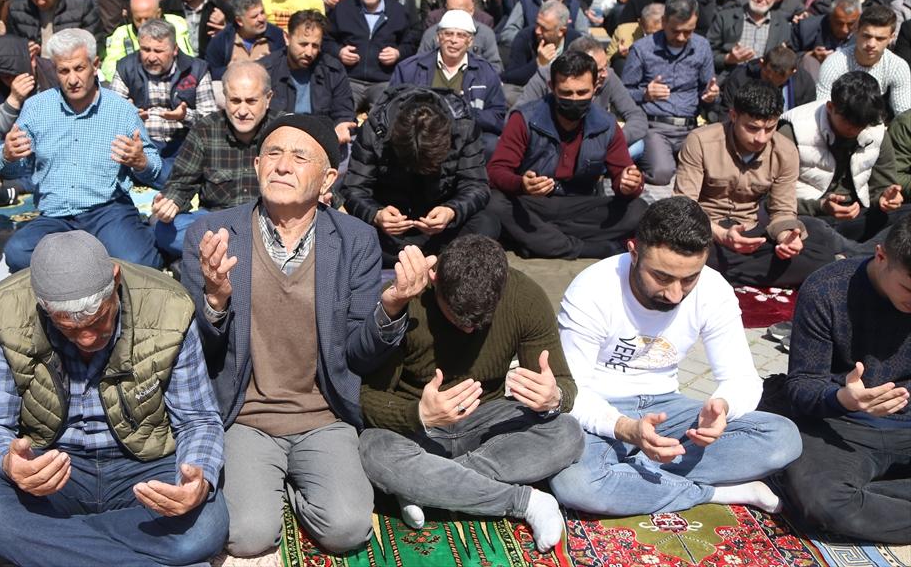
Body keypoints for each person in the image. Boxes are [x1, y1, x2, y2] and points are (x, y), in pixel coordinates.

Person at [180, 114, 425, 556]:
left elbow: (358, 354)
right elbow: (197, 351)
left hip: (322, 417)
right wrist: (215, 299)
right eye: (272, 154)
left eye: (299, 156)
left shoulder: (356, 240)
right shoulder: (212, 234)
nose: (282, 166)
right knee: (247, 536)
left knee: (347, 530)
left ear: (328, 177)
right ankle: (268, 488)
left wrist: (391, 307)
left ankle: (293, 487)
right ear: (256, 166)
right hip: (246, 417)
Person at [0, 230, 228, 566]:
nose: (86, 339)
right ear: (42, 306)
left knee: (208, 525)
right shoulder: (5, 310)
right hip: (53, 470)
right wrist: (10, 464)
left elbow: (197, 418)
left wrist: (196, 482)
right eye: (68, 327)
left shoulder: (168, 307)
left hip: (141, 466)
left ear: (115, 282)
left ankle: (31, 546)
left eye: (98, 320)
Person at [548, 197, 802, 515]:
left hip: (667, 408)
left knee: (783, 438)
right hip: (601, 414)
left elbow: (741, 378)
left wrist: (723, 407)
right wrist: (626, 428)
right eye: (663, 277)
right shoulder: (592, 289)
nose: (675, 294)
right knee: (577, 485)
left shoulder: (714, 289)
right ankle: (715, 492)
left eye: (689, 279)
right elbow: (572, 391)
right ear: (634, 252)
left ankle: (630, 472)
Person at [358, 234, 583, 551]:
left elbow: (563, 384)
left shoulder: (525, 297)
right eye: (457, 317)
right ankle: (521, 501)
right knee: (371, 448)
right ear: (434, 279)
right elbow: (364, 396)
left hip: (487, 425)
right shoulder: (407, 300)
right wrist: (419, 414)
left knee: (568, 432)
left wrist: (553, 398)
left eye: (481, 321)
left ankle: (422, 486)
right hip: (417, 430)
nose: (469, 328)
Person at [781, 214, 911, 544]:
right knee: (824, 501)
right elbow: (801, 385)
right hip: (841, 426)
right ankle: (868, 496)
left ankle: (873, 496)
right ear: (881, 255)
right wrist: (842, 399)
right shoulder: (827, 288)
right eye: (909, 289)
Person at [0, 28, 162, 271]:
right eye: (64, 71)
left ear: (95, 65)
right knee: (18, 253)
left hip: (107, 210)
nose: (72, 79)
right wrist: (7, 156)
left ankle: (132, 236)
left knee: (138, 262)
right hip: (55, 217)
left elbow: (156, 167)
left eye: (79, 68)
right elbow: (10, 167)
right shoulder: (36, 108)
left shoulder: (120, 110)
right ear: (55, 70)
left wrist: (141, 162)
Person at [675, 80, 840, 287]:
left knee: (820, 256)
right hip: (705, 230)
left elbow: (782, 210)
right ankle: (718, 270)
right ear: (733, 116)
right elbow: (683, 206)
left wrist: (786, 238)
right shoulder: (700, 141)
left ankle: (714, 274)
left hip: (750, 234)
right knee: (682, 248)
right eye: (752, 128)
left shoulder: (785, 151)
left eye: (769, 128)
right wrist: (722, 235)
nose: (761, 138)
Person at [488, 49, 647, 260]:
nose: (574, 99)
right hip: (532, 202)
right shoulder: (525, 118)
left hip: (579, 203)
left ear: (595, 88)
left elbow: (623, 175)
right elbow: (496, 171)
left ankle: (538, 239)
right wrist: (521, 184)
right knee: (493, 202)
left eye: (582, 93)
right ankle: (589, 248)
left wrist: (630, 184)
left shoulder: (607, 124)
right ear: (551, 87)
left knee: (639, 210)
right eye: (566, 93)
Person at [342, 85, 495, 265]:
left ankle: (425, 259)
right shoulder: (376, 129)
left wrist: (451, 210)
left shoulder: (464, 127)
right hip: (390, 229)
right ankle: (435, 260)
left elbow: (477, 185)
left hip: (440, 226)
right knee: (346, 230)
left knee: (487, 223)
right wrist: (376, 214)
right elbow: (354, 188)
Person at [150, 61, 273, 259]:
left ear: (268, 99)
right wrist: (170, 203)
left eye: (251, 101)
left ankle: (222, 255)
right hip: (217, 222)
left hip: (269, 223)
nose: (242, 111)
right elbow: (181, 182)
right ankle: (247, 255)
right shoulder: (205, 130)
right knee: (164, 231)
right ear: (224, 98)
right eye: (235, 101)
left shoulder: (284, 130)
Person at [779, 72, 904, 253]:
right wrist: (821, 206)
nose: (854, 129)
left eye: (861, 125)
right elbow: (774, 200)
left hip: (857, 215)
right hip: (810, 216)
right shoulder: (793, 131)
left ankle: (851, 255)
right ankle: (863, 255)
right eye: (847, 121)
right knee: (810, 229)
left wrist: (885, 198)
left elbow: (882, 186)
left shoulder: (875, 130)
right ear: (830, 107)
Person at [622, 0, 720, 185]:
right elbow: (623, 94)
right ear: (664, 22)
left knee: (713, 174)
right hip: (656, 127)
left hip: (690, 127)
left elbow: (708, 90)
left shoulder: (702, 47)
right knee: (662, 174)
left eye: (688, 32)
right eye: (676, 31)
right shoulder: (642, 49)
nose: (682, 37)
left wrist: (710, 97)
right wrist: (645, 94)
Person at [109, 18, 214, 188]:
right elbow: (111, 114)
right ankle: (171, 181)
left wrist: (184, 116)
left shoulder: (197, 69)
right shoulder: (126, 67)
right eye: (145, 49)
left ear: (174, 50)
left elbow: (211, 121)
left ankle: (160, 179)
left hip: (183, 143)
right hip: (142, 142)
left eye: (158, 51)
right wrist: (131, 116)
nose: (151, 57)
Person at [389, 8, 506, 158]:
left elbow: (498, 117)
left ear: (470, 41)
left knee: (491, 144)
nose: (454, 40)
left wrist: (468, 113)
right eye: (448, 33)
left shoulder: (486, 72)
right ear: (438, 37)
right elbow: (391, 107)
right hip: (420, 136)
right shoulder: (410, 68)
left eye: (461, 35)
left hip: (467, 137)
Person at [325, 0, 415, 113]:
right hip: (349, 80)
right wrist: (339, 52)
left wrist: (398, 53)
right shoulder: (342, 9)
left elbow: (412, 43)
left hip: (384, 81)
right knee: (341, 116)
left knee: (385, 120)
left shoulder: (398, 11)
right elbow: (325, 40)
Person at [261, 9, 355, 145]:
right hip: (280, 140)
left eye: (315, 46)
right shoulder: (266, 71)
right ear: (287, 38)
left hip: (322, 139)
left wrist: (342, 125)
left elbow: (344, 110)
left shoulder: (332, 70)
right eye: (303, 44)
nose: (309, 52)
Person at [816, 4, 910, 115]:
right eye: (866, 36)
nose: (871, 44)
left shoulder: (897, 67)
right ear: (856, 31)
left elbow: (903, 114)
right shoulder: (834, 63)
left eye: (880, 38)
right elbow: (822, 110)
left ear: (891, 38)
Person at [707, 0, 793, 75]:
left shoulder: (782, 25)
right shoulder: (726, 17)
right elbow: (707, 52)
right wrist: (728, 58)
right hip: (729, 80)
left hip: (764, 83)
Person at [102, 0, 195, 80]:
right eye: (138, 19)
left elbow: (187, 59)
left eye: (147, 19)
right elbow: (109, 69)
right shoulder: (122, 34)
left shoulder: (176, 24)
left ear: (158, 13)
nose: (143, 24)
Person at [717, 43, 815, 121]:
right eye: (767, 76)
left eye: (779, 79)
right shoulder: (740, 77)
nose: (772, 80)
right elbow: (727, 112)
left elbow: (805, 116)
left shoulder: (804, 82)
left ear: (793, 72)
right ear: (761, 63)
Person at [203, 0, 286, 82]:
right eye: (254, 16)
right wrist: (228, 70)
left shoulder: (277, 36)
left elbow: (287, 69)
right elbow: (209, 73)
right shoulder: (221, 41)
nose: (261, 19)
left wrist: (271, 64)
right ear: (239, 21)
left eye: (262, 13)